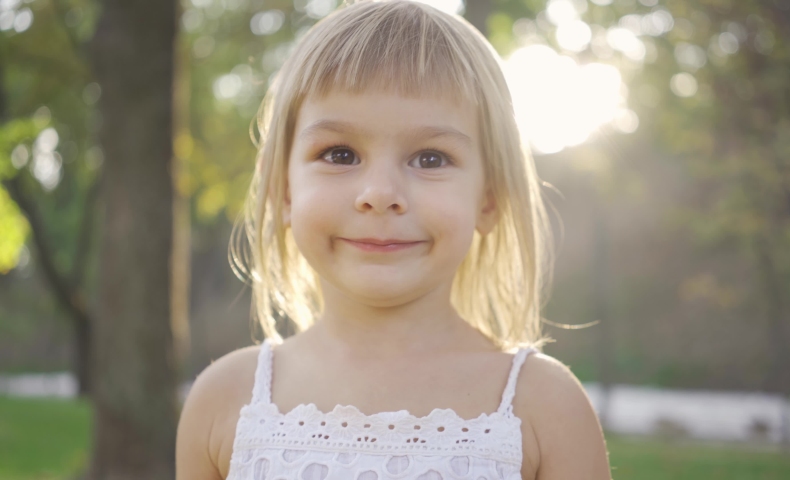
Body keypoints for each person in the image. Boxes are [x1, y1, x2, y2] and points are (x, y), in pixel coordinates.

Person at [177, 1, 611, 478]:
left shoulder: (544, 408)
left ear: (488, 201)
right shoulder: (226, 402)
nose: (380, 195)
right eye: (339, 153)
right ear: (282, 189)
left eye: (429, 159)